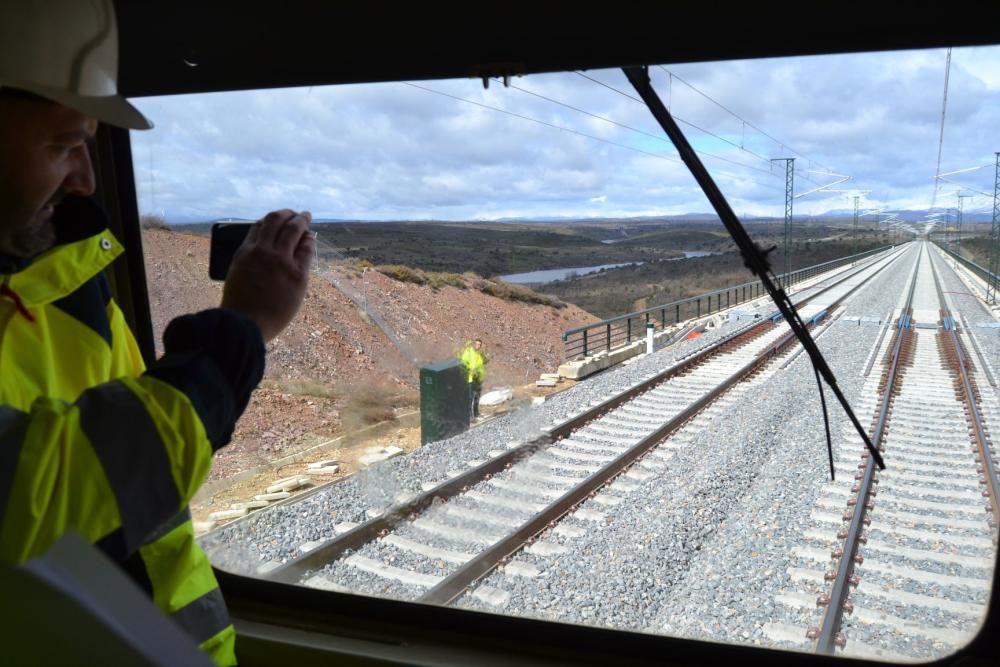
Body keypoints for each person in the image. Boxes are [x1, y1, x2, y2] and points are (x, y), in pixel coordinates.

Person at [0, 2, 314, 665]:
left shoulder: (74, 286)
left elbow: (134, 484)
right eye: (61, 144)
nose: (86, 177)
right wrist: (244, 328)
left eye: (89, 143)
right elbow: (42, 499)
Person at [458, 338, 488, 420]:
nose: (478, 346)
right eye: (477, 344)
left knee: (477, 397)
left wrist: (485, 355)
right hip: (471, 378)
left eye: (479, 345)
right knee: (470, 397)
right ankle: (469, 416)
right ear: (474, 344)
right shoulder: (469, 351)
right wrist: (469, 370)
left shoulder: (480, 354)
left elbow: (485, 362)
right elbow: (463, 362)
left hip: (478, 378)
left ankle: (476, 413)